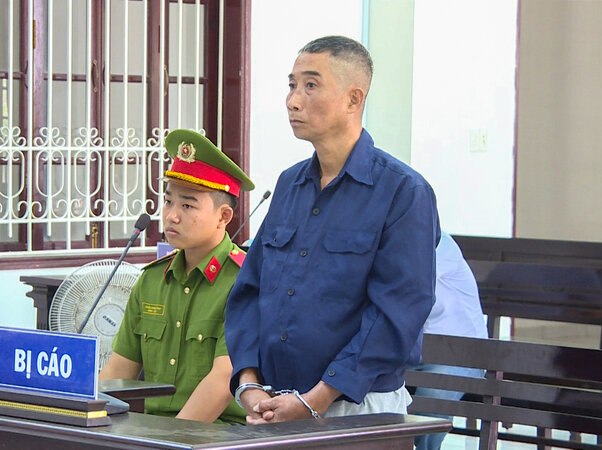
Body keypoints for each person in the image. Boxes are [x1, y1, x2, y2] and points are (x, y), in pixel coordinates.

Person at [224, 35, 440, 424]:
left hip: (357, 410)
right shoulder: (289, 185)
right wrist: (249, 381)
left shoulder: (403, 192)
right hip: (275, 406)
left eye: (311, 85)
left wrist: (318, 398)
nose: (293, 100)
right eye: (291, 85)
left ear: (354, 99)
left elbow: (398, 314)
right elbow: (249, 292)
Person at [100, 129, 254, 424]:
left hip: (218, 436)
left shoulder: (243, 282)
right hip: (151, 433)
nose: (171, 215)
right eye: (169, 201)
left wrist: (168, 443)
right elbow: (117, 375)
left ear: (224, 216)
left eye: (187, 205)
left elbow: (223, 382)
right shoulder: (152, 281)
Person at [413, 231, 488, 450]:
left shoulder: (437, 243)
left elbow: (408, 287)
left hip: (463, 353)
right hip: (415, 350)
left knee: (435, 390)